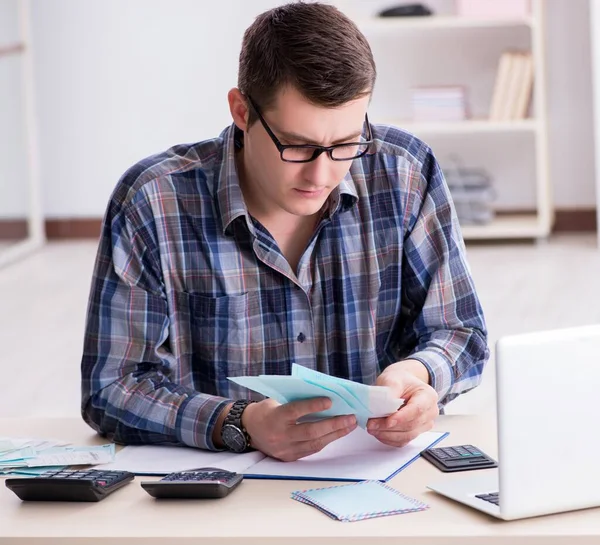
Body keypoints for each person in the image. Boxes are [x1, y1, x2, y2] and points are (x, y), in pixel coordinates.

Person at [81, 2, 489, 462]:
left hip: (379, 477)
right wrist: (239, 422)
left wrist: (420, 374)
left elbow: (461, 330)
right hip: (223, 492)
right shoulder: (154, 201)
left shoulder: (405, 172)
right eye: (297, 145)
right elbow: (112, 386)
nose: (322, 174)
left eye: (345, 144)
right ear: (241, 111)